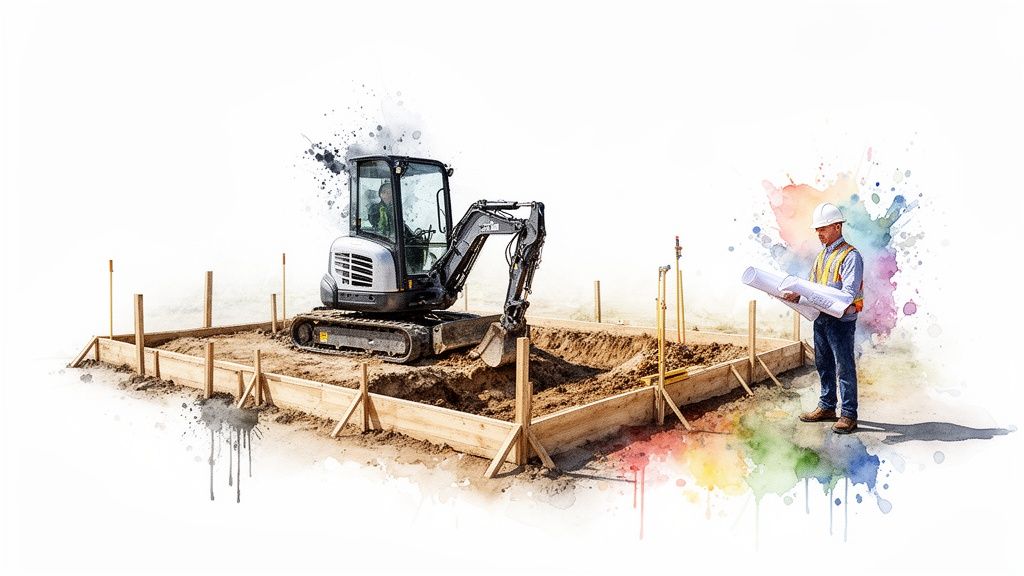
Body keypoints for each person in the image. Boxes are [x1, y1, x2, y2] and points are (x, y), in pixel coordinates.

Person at [782, 202, 865, 434]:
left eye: (824, 228)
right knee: (824, 364)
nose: (819, 233)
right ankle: (827, 406)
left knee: (844, 367)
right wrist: (799, 294)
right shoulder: (822, 256)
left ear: (837, 227)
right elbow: (813, 286)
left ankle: (849, 414)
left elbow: (848, 294)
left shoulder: (851, 256)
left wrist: (813, 295)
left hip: (840, 322)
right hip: (822, 318)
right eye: (817, 229)